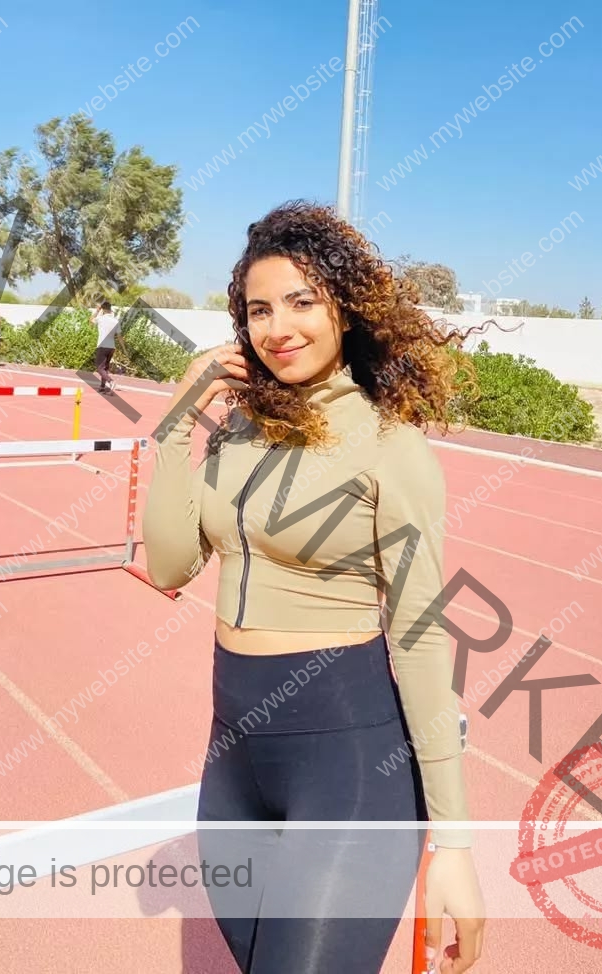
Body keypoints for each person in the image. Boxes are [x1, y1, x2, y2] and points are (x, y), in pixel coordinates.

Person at [142, 202, 485, 974]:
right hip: (234, 763)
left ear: (346, 310)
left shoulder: (390, 445)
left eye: (302, 302)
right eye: (259, 309)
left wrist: (455, 844)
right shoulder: (238, 433)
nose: (278, 328)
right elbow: (168, 566)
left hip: (349, 765)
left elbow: (421, 636)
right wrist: (176, 422)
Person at [90, 299, 119, 393]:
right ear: (110, 309)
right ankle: (102, 387)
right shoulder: (115, 320)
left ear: (102, 309)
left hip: (102, 346)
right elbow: (118, 335)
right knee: (105, 368)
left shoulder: (101, 318)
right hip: (112, 347)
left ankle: (111, 381)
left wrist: (97, 310)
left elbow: (91, 320)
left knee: (99, 368)